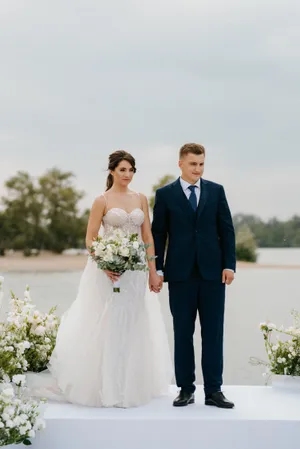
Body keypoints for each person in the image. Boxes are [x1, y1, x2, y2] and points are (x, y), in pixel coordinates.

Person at [31, 150, 172, 408]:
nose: (127, 175)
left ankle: (129, 386)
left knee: (133, 322)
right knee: (108, 322)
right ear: (112, 171)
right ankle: (105, 388)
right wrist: (105, 262)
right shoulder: (101, 200)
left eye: (131, 170)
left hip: (136, 273)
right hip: (109, 271)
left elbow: (148, 237)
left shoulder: (141, 199)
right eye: (122, 170)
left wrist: (153, 271)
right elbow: (90, 238)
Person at [152, 143, 236, 409]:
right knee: (183, 333)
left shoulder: (216, 191)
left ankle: (214, 390)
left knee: (213, 334)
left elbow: (227, 230)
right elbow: (158, 234)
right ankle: (185, 389)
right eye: (192, 164)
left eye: (201, 164)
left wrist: (229, 265)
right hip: (179, 275)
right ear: (180, 164)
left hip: (213, 275)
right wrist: (158, 269)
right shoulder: (165, 195)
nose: (197, 169)